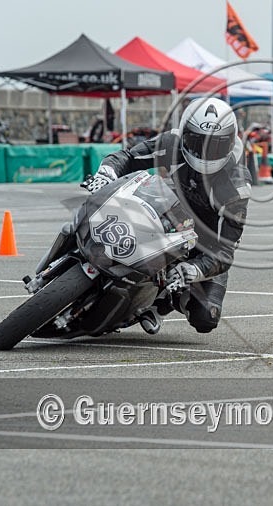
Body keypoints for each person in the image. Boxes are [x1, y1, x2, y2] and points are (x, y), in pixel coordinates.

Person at [84, 97, 252, 335]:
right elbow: (129, 157)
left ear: (231, 140)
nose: (205, 153)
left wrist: (194, 269)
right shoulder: (171, 143)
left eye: (215, 145)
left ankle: (162, 303)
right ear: (184, 133)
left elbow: (225, 251)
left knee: (206, 318)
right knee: (102, 204)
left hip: (203, 246)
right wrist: (106, 173)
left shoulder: (236, 187)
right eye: (197, 142)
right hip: (164, 213)